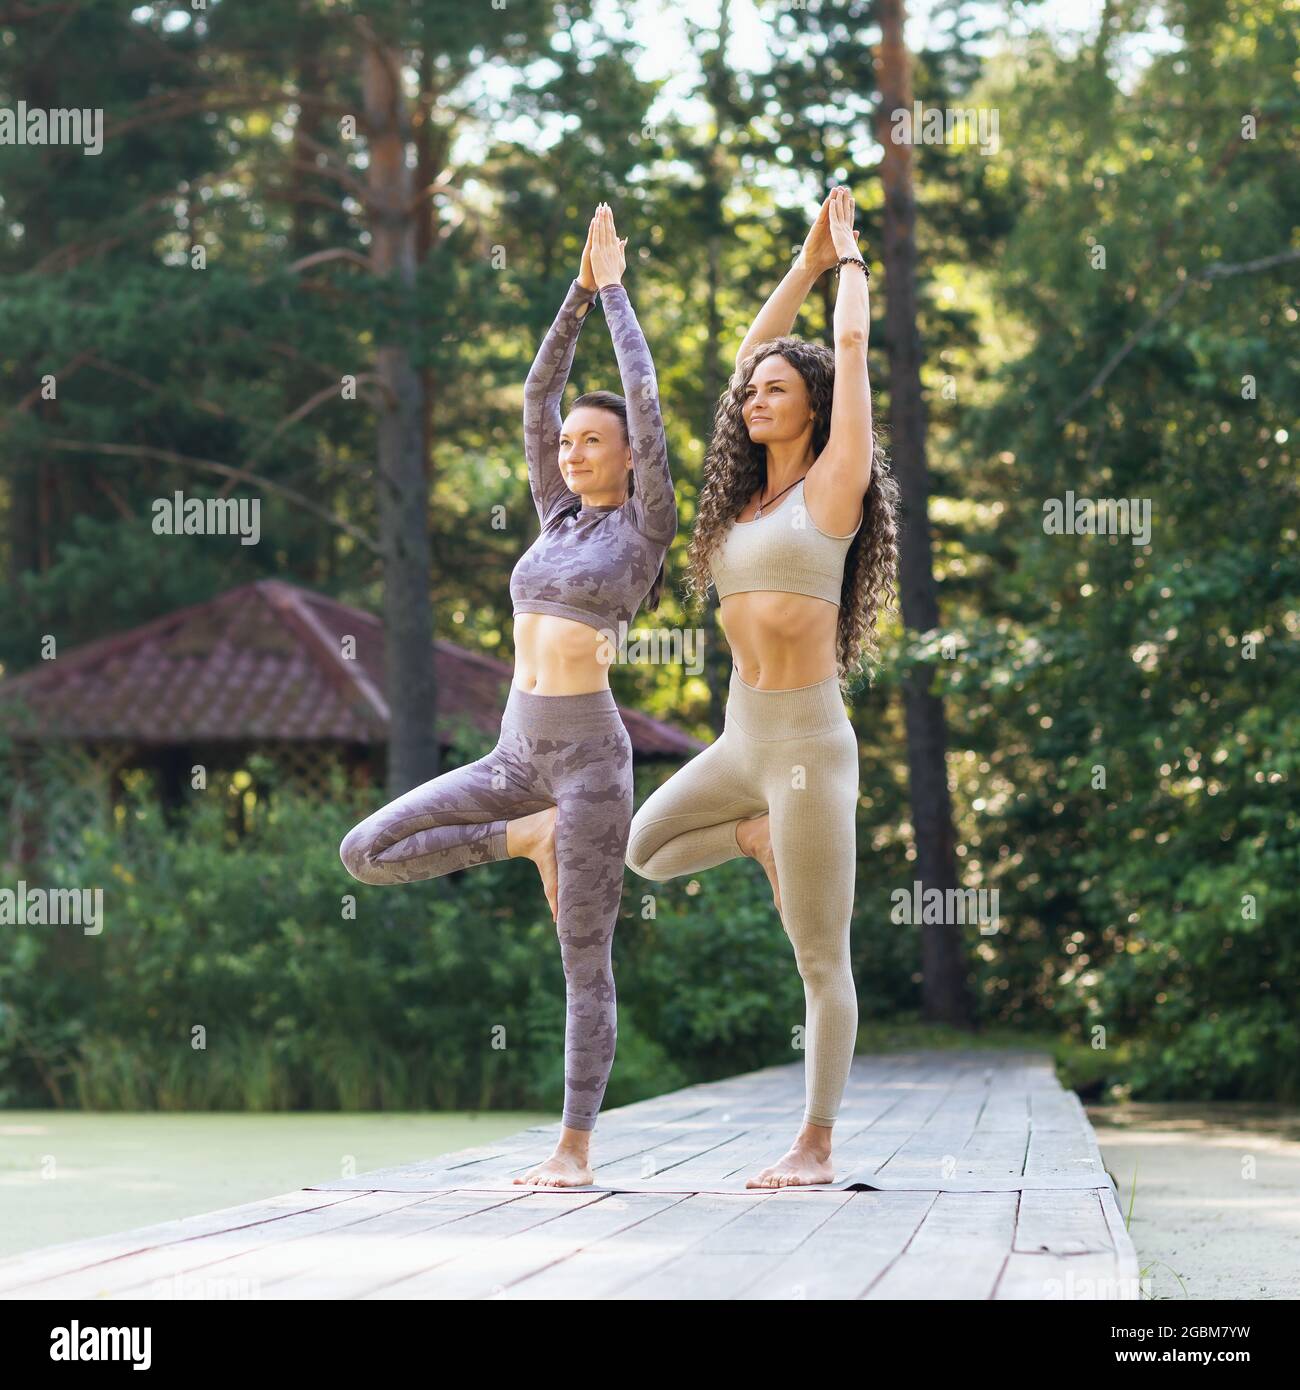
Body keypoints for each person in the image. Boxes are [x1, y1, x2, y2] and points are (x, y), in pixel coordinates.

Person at [340, 204, 677, 1187]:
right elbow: (537, 393)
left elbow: (646, 396)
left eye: (590, 442)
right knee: (367, 851)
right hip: (511, 756)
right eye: (567, 443)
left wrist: (615, 293)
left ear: (624, 457)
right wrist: (572, 294)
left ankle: (573, 1146)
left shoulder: (643, 527)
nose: (571, 451)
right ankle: (517, 838)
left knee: (583, 956)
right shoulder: (555, 517)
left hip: (588, 761)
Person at [625, 186, 900, 1188]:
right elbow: (752, 348)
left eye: (776, 390)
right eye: (752, 393)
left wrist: (851, 264)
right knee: (644, 851)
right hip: (741, 745)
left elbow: (854, 353)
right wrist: (801, 259)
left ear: (815, 408)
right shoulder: (744, 502)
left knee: (819, 959)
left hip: (806, 754)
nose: (754, 398)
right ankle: (751, 839)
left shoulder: (837, 482)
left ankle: (815, 1143)